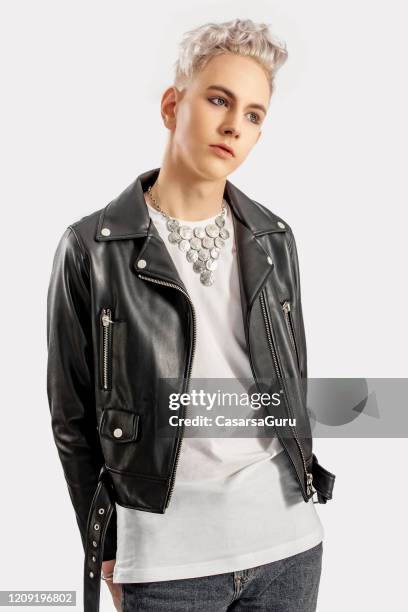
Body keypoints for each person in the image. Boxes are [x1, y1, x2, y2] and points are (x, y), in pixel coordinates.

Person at [46, 17, 336, 612]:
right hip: (166, 561)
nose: (234, 124)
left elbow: (293, 381)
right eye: (219, 99)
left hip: (287, 543)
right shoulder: (92, 249)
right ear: (173, 105)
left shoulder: (273, 239)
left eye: (254, 115)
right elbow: (72, 418)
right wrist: (99, 544)